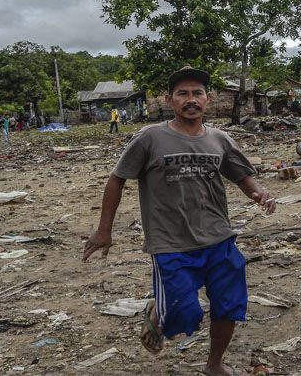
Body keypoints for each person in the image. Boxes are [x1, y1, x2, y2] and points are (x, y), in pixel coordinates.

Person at [83, 66, 276, 376]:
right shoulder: (150, 138)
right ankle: (158, 312)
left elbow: (243, 176)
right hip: (171, 244)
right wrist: (104, 229)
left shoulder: (220, 139)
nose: (191, 99)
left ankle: (214, 365)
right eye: (182, 93)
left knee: (230, 306)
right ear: (168, 99)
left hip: (219, 240)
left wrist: (259, 194)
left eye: (197, 93)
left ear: (208, 99)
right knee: (183, 317)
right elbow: (117, 179)